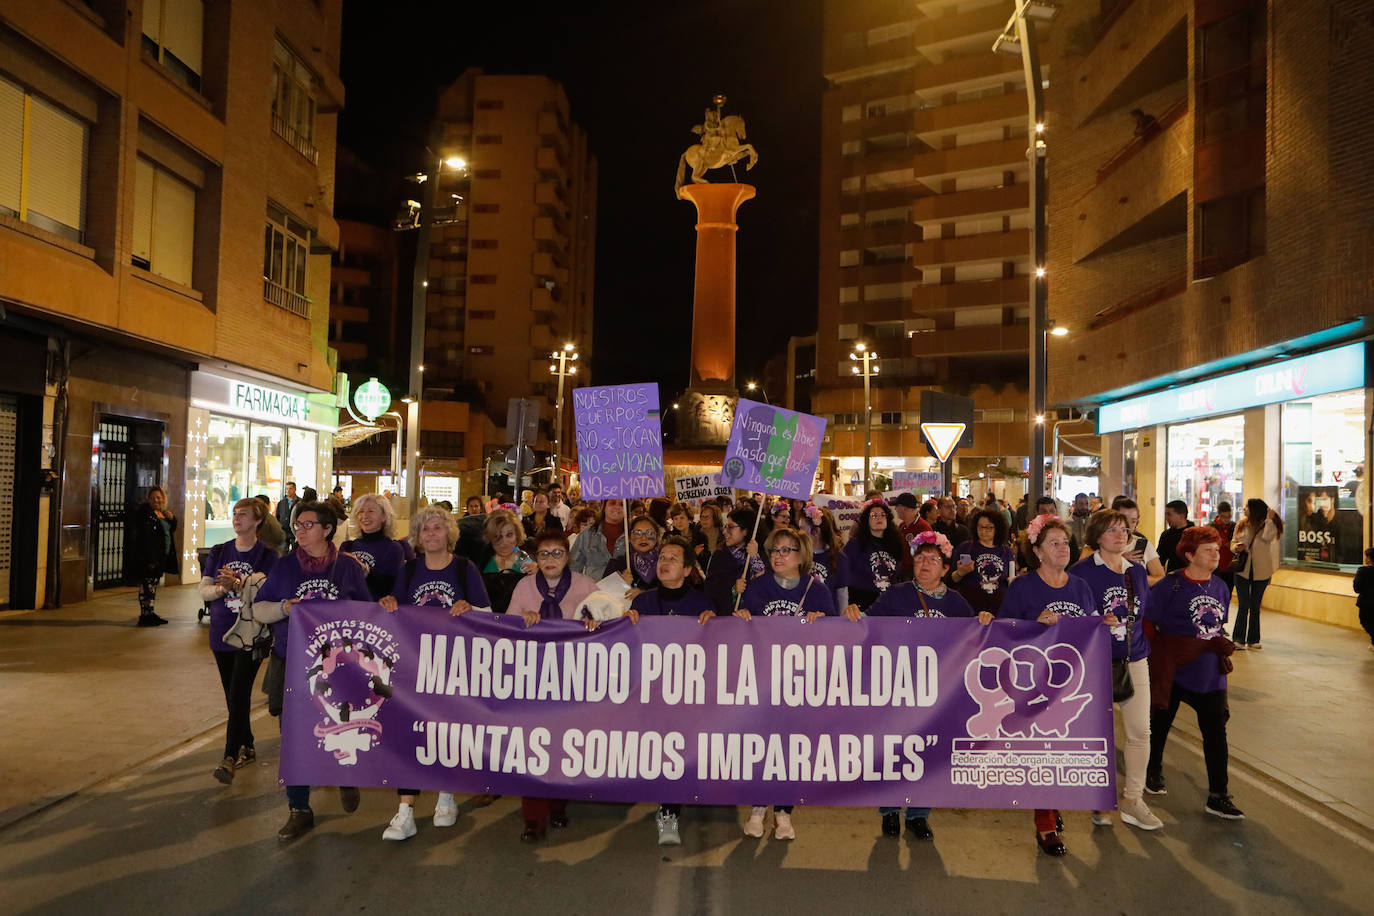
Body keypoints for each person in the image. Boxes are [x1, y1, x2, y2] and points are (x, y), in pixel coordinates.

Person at [847, 530, 991, 840]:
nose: (925, 564)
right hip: (897, 688)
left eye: (933, 560)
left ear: (945, 568)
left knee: (928, 751)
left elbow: (975, 639)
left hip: (937, 693)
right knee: (893, 750)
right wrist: (854, 614)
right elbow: (868, 624)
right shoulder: (896, 595)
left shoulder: (955, 603)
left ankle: (918, 814)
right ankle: (889, 811)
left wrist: (983, 620)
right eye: (920, 558)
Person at [249, 501, 372, 841]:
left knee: (340, 727)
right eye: (297, 525)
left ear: (327, 529)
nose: (300, 531)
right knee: (294, 737)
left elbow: (367, 612)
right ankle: (299, 808)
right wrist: (284, 608)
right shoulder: (285, 566)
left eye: (308, 525)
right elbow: (259, 608)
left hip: (338, 669)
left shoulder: (347, 568)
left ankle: (344, 776)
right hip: (291, 662)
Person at [376, 505, 492, 841]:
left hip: (453, 665)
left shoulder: (465, 568)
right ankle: (405, 811)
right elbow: (396, 610)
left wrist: (470, 608)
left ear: (449, 533)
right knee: (410, 733)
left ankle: (446, 795)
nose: (431, 534)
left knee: (445, 733)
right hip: (414, 665)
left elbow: (488, 612)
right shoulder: (409, 570)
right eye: (425, 529)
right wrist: (388, 604)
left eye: (437, 528)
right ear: (417, 536)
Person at [999, 513, 1098, 857]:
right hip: (1035, 685)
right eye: (1053, 543)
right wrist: (1033, 626)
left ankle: (1052, 806)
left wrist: (1103, 624)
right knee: (1044, 751)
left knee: (1064, 750)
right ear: (1038, 552)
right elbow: (1004, 630)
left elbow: (1090, 629)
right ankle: (1045, 823)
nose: (1062, 548)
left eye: (1065, 542)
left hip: (1074, 684)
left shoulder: (1080, 587)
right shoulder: (1023, 587)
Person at [735, 526, 834, 841]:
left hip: (799, 683)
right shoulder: (757, 586)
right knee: (760, 744)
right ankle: (757, 807)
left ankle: (783, 812)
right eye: (775, 550)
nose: (779, 556)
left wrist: (823, 622)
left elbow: (836, 635)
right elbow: (739, 629)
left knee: (791, 747)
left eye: (786, 550)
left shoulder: (816, 589)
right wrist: (739, 616)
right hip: (762, 679)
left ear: (801, 556)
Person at [1068, 510, 1163, 831]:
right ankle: (1098, 797)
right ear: (1096, 536)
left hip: (1134, 657)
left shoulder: (1136, 572)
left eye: (1124, 530)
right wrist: (1095, 622)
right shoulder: (1082, 573)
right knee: (1097, 733)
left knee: (1140, 732)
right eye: (1111, 530)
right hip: (1094, 662)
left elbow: (1144, 611)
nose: (1120, 535)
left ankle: (1133, 799)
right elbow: (1071, 616)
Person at [1145, 526, 1243, 820]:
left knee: (1216, 732)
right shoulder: (1170, 585)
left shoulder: (1221, 586)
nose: (1215, 554)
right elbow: (1148, 623)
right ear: (1189, 555)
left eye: (1216, 548)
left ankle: (1218, 795)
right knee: (1160, 724)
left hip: (1209, 671)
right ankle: (1152, 770)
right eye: (1208, 550)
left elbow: (1217, 626)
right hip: (1174, 669)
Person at [506, 530, 599, 842]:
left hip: (573, 679)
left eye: (557, 553)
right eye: (543, 554)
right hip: (533, 679)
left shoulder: (586, 586)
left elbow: (609, 618)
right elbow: (506, 629)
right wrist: (523, 619)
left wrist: (595, 621)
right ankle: (533, 819)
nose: (550, 559)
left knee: (564, 746)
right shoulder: (524, 587)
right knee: (533, 747)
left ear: (567, 556)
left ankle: (558, 804)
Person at [624, 535, 716, 846]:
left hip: (687, 694)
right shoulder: (643, 602)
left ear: (688, 569)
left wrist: (716, 625)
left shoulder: (702, 603)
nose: (664, 562)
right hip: (651, 693)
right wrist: (626, 624)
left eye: (673, 559)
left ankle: (669, 810)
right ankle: (667, 804)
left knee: (677, 750)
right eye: (662, 557)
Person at [200, 497, 279, 783]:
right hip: (221, 632)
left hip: (251, 634)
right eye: (235, 513)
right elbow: (204, 591)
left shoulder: (268, 556)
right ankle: (248, 743)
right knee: (232, 696)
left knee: (238, 693)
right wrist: (223, 588)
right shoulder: (220, 551)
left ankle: (229, 757)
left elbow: (270, 592)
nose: (237, 518)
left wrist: (239, 584)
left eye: (244, 514)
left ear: (258, 521)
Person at [1230, 498, 1282, 650]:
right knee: (1243, 605)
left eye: (1247, 507)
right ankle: (1238, 638)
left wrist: (1270, 520)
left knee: (1255, 606)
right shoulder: (1241, 524)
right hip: (1242, 570)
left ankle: (1253, 639)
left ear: (1254, 510)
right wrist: (1236, 547)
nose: (1244, 509)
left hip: (1262, 571)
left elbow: (1267, 537)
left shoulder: (1268, 525)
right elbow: (1233, 542)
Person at [341, 493, 413, 601]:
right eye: (361, 512)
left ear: (384, 516)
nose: (365, 516)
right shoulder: (348, 546)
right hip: (348, 608)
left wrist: (364, 572)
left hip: (375, 609)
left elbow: (389, 589)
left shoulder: (393, 548)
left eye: (371, 511)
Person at [844, 500, 910, 613]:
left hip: (889, 601)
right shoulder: (855, 544)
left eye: (883, 515)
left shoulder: (896, 543)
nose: (879, 518)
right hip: (862, 603)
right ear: (867, 521)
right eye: (874, 516)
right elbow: (844, 573)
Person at [950, 508, 1015, 615]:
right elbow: (951, 580)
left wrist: (1013, 582)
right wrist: (960, 573)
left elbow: (1011, 578)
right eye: (980, 527)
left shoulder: (1006, 551)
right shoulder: (966, 548)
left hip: (998, 608)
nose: (984, 531)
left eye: (989, 527)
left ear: (997, 528)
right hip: (970, 607)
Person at [130, 484, 178, 626]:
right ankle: (145, 615)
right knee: (147, 586)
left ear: (163, 498)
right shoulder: (145, 514)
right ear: (148, 499)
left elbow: (170, 530)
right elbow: (145, 538)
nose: (156, 500)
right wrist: (150, 559)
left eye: (159, 497)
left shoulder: (162, 513)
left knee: (153, 585)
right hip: (150, 558)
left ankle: (150, 612)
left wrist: (172, 519)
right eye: (153, 498)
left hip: (161, 557)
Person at [703, 507, 766, 615]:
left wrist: (755, 557)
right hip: (727, 618)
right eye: (725, 526)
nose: (725, 532)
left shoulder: (760, 555)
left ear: (745, 531)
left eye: (731, 527)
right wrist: (733, 588)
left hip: (753, 616)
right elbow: (710, 589)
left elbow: (765, 587)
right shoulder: (720, 556)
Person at [476, 508, 535, 614]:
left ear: (517, 535)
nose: (504, 542)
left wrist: (540, 574)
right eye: (497, 536)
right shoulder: (482, 560)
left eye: (509, 535)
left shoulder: (525, 559)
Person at [798, 504, 848, 611]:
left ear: (816, 532)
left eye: (802, 529)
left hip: (827, 616)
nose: (798, 534)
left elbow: (842, 595)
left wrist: (842, 619)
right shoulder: (796, 555)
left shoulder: (838, 558)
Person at [603, 515, 663, 604]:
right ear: (629, 538)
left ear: (657, 536)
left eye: (649, 533)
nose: (643, 538)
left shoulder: (665, 563)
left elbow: (674, 591)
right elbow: (602, 596)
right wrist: (619, 584)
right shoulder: (618, 564)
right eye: (637, 533)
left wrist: (645, 594)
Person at [568, 500, 627, 579]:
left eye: (622, 504)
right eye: (612, 503)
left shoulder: (633, 535)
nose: (617, 507)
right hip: (593, 586)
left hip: (625, 586)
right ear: (604, 506)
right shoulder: (587, 534)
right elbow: (573, 568)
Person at [1113, 497, 1166, 585]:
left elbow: (1161, 578)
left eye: (1133, 521)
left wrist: (1136, 578)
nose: (1128, 525)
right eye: (1124, 520)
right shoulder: (1102, 543)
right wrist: (1119, 560)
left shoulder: (1142, 545)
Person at [1210, 502, 1236, 606]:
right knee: (1215, 596)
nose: (1227, 520)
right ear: (1219, 514)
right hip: (1216, 567)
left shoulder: (1234, 526)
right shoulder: (1212, 527)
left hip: (1230, 567)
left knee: (1227, 596)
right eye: (1224, 517)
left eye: (1229, 516)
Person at [1156, 500, 1192, 572]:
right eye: (1165, 514)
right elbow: (1160, 560)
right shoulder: (1166, 535)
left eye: (1169, 514)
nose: (1166, 518)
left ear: (1181, 516)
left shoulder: (1195, 534)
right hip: (1173, 575)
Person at [1354, 548, 1374, 651]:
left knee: (1365, 621)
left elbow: (1356, 588)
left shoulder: (1362, 571)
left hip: (1366, 602)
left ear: (1369, 558)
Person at [275, 482, 300, 550]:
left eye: (290, 488)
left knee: (295, 550)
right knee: (283, 550)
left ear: (294, 489)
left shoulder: (299, 502)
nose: (288, 491)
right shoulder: (281, 502)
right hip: (284, 530)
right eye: (286, 489)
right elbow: (277, 516)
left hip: (295, 531)